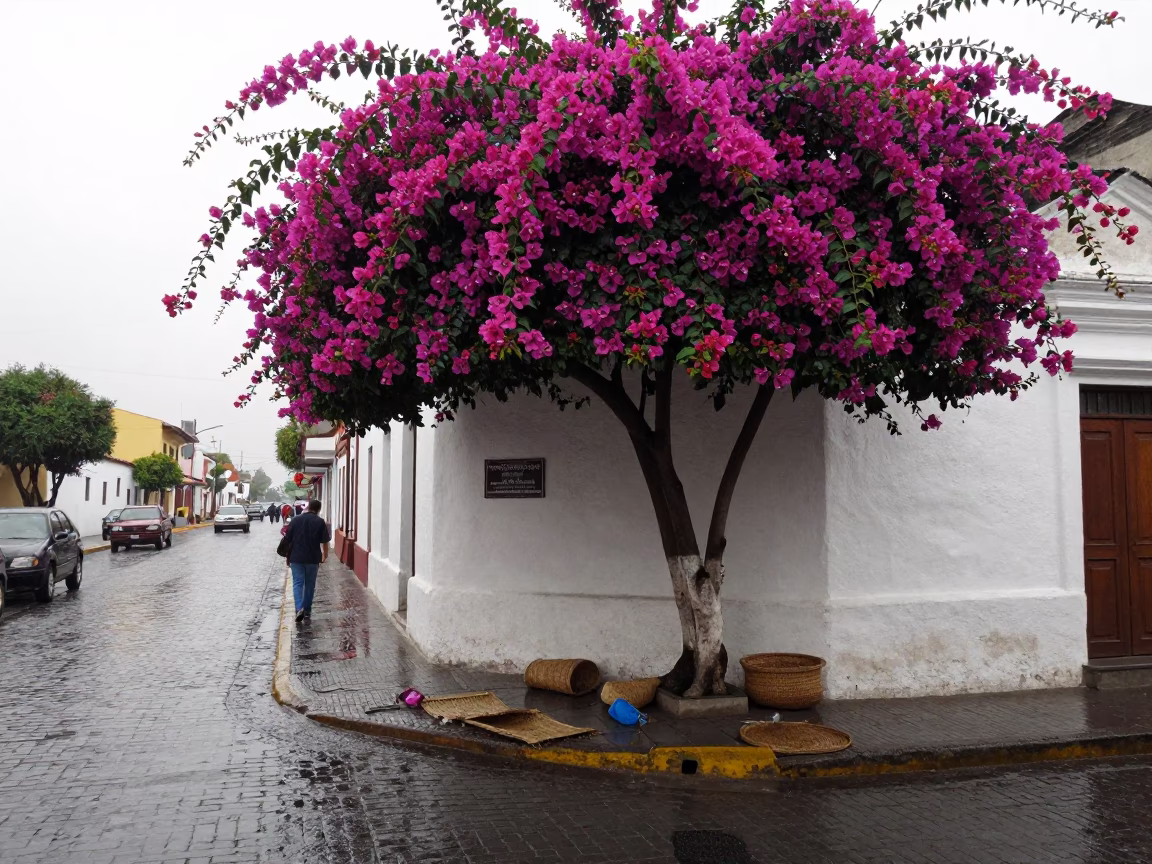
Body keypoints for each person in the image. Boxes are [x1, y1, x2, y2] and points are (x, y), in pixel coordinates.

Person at [282, 499, 330, 623]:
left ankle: (299, 608)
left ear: (308, 507)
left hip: (296, 557)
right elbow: (325, 541)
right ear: (318, 509)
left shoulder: (296, 520)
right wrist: (325, 555)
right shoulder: (319, 521)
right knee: (310, 585)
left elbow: (288, 538)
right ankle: (307, 610)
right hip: (313, 558)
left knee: (298, 583)